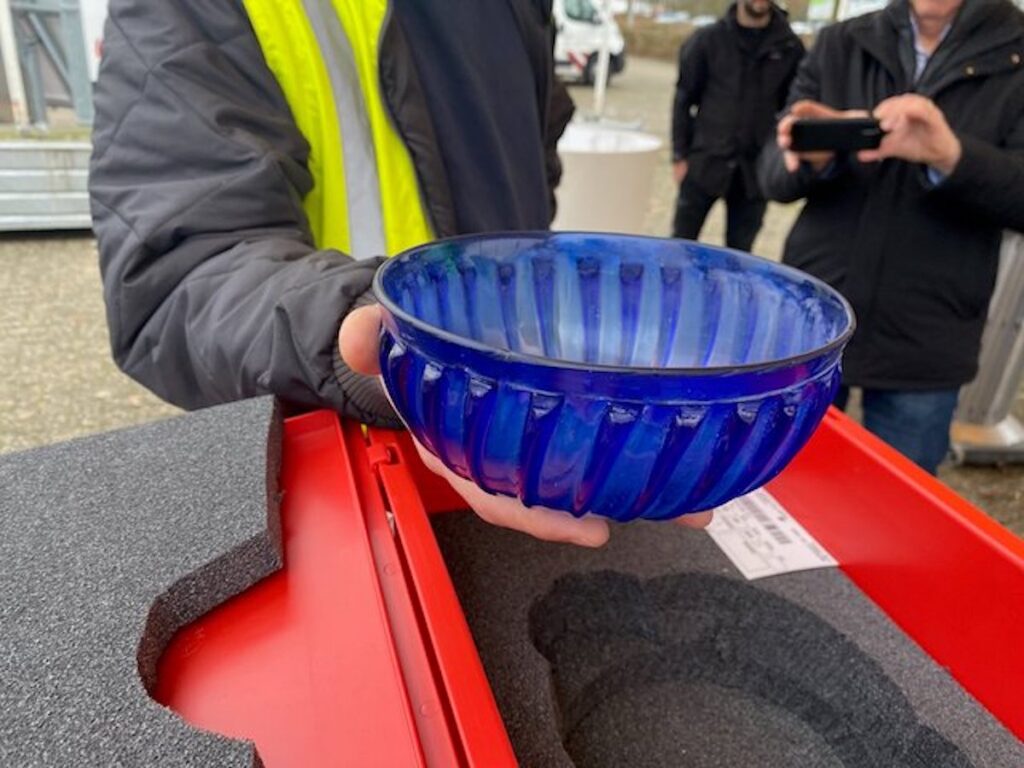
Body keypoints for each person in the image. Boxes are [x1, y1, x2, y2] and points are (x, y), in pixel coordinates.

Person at [89, 0, 711, 545]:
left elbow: (534, 144)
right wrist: (378, 334)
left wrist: (528, 310)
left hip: (518, 437)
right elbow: (181, 271)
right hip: (340, 474)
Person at [758, 0, 1024, 474]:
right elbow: (773, 176)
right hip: (815, 316)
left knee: (898, 496)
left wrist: (952, 157)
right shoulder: (843, 40)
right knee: (779, 481)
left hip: (929, 331)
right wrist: (812, 157)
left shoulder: (1015, 54)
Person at [671, 0, 803, 250]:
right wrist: (679, 155)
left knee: (741, 255)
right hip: (704, 162)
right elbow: (683, 99)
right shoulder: (707, 40)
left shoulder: (789, 47)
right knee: (680, 247)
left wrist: (778, 161)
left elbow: (793, 108)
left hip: (754, 172)